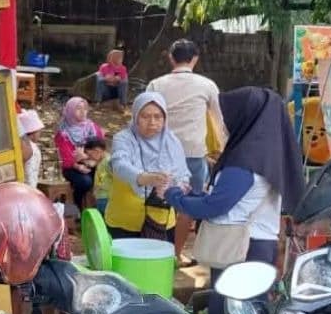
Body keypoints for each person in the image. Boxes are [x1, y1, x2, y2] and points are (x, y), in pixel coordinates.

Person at [163, 86, 303, 314]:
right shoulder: (267, 153)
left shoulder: (246, 160)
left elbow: (216, 206)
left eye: (226, 116)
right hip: (256, 249)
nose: (222, 123)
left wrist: (174, 196)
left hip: (240, 252)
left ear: (246, 117)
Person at [146, 39, 223, 266]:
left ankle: (153, 251)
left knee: (156, 203)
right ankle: (176, 254)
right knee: (187, 206)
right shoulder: (207, 85)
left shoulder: (156, 85)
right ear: (195, 59)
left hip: (160, 152)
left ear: (171, 57)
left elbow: (143, 118)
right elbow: (219, 122)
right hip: (193, 153)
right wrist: (223, 149)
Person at [104, 92, 191, 241]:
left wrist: (179, 186)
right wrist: (144, 177)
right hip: (125, 223)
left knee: (158, 262)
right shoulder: (124, 138)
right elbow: (119, 165)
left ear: (165, 119)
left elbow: (183, 175)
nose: (152, 122)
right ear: (136, 117)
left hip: (162, 221)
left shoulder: (172, 142)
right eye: (145, 116)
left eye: (158, 117)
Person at [55, 97, 104, 209]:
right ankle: (78, 206)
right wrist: (78, 165)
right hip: (72, 167)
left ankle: (101, 208)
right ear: (70, 111)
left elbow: (100, 149)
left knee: (106, 176)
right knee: (85, 182)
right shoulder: (63, 132)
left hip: (93, 163)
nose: (83, 112)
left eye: (85, 108)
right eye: (78, 109)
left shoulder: (92, 127)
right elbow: (65, 158)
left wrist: (87, 157)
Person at [17, 109, 45, 189]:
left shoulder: (22, 145)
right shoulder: (32, 148)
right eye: (39, 131)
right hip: (28, 187)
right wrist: (32, 189)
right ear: (33, 132)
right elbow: (30, 172)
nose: (40, 134)